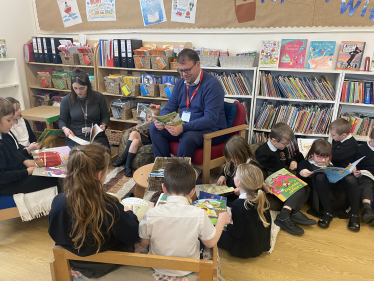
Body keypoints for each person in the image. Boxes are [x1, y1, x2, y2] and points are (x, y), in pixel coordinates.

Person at [48, 143, 140, 279]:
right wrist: (130, 214)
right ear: (99, 175)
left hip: (75, 260)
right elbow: (132, 236)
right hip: (106, 264)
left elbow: (55, 233)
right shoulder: (109, 206)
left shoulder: (58, 201)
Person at [139, 159, 230, 279]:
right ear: (193, 192)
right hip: (188, 267)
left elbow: (145, 242)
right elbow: (210, 242)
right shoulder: (199, 214)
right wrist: (222, 220)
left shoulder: (151, 214)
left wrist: (150, 213)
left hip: (158, 266)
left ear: (164, 189)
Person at [149, 48, 227, 159]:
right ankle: (164, 168)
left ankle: (181, 174)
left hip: (210, 130)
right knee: (154, 128)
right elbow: (170, 107)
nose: (184, 74)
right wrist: (161, 120)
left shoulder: (213, 85)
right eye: (180, 71)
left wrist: (183, 127)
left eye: (187, 70)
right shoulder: (181, 83)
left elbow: (210, 119)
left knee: (188, 138)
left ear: (198, 64)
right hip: (185, 125)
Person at [255, 122, 315, 236]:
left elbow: (285, 159)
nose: (287, 146)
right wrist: (263, 184)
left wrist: (292, 161)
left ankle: (292, 212)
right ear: (274, 141)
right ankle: (283, 217)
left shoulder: (282, 148)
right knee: (298, 190)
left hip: (282, 175)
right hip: (269, 177)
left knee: (304, 186)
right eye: (285, 143)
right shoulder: (262, 151)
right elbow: (257, 169)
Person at [297, 139, 360, 232]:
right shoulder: (305, 163)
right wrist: (302, 173)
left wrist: (352, 172)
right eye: (320, 157)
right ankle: (327, 213)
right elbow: (299, 177)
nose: (323, 160)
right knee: (320, 176)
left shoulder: (331, 164)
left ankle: (355, 215)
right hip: (320, 199)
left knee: (350, 179)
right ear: (311, 154)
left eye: (327, 157)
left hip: (337, 196)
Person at [0, 97, 59, 195]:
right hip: (8, 184)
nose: (12, 123)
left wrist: (25, 161)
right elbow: (2, 177)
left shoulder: (4, 134)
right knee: (54, 178)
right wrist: (27, 172)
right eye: (9, 120)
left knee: (53, 169)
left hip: (18, 171)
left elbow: (15, 152)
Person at [217, 163, 271, 259]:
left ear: (239, 184)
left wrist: (225, 224)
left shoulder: (238, 205)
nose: (234, 177)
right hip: (261, 243)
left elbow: (236, 233)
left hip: (244, 249)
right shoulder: (262, 199)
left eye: (235, 175)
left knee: (214, 232)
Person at [59, 68, 110, 151]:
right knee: (77, 157)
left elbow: (106, 116)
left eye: (82, 88)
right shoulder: (67, 100)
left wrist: (103, 124)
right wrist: (65, 129)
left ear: (88, 86)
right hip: (75, 136)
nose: (78, 91)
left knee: (98, 156)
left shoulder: (98, 97)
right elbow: (62, 120)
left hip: (96, 137)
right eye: (75, 88)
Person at [216, 135, 266, 206]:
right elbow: (227, 169)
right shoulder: (235, 162)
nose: (231, 160)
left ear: (241, 155)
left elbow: (255, 190)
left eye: (232, 158)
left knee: (217, 204)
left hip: (238, 199)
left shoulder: (252, 168)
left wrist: (242, 192)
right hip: (228, 191)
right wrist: (223, 176)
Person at [111, 104, 161, 177]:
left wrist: (146, 134)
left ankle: (122, 158)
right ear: (146, 116)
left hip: (150, 142)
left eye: (153, 117)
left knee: (134, 133)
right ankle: (128, 166)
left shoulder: (158, 125)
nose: (150, 119)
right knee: (135, 141)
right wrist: (139, 129)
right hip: (143, 140)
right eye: (149, 117)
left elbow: (156, 138)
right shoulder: (145, 122)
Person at [329, 118, 360, 231]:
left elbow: (334, 156)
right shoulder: (337, 138)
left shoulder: (351, 144)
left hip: (346, 170)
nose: (331, 137)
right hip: (335, 168)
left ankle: (355, 215)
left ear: (343, 135)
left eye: (333, 135)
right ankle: (327, 211)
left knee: (351, 181)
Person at [353, 129, 374, 225]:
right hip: (365, 175)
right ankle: (366, 209)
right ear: (370, 137)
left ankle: (370, 216)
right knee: (367, 183)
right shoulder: (362, 149)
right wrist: (355, 171)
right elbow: (355, 164)